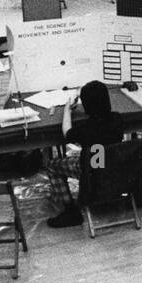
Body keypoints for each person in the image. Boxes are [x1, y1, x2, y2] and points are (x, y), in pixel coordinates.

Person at [45, 81, 126, 228]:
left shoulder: (87, 129)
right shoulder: (117, 118)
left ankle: (70, 211)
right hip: (114, 167)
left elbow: (67, 133)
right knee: (98, 153)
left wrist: (67, 111)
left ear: (86, 106)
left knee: (52, 165)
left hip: (94, 170)